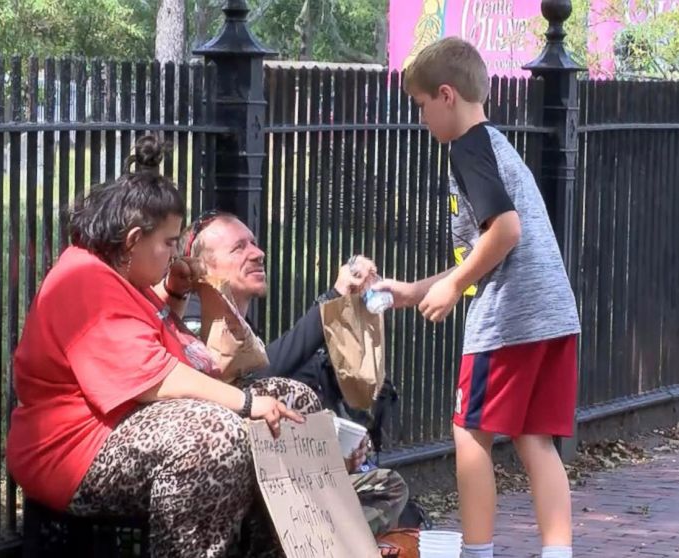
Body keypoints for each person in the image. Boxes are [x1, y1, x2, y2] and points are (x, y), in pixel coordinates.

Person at [6, 135, 317, 558]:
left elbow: (163, 347)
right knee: (213, 435)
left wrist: (173, 296)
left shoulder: (124, 278)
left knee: (294, 400)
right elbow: (155, 377)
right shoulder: (83, 279)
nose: (175, 255)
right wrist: (245, 403)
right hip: (75, 453)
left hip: (129, 429)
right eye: (170, 243)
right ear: (134, 239)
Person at [374, 37, 581, 558]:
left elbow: (504, 232)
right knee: (536, 440)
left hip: (510, 319)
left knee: (470, 434)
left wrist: (452, 284)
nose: (421, 119)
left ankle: (477, 552)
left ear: (446, 95)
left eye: (421, 106)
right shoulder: (495, 145)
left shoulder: (467, 149)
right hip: (553, 317)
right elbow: (486, 250)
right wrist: (413, 292)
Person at [181, 211, 411, 536]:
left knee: (386, 486)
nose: (257, 253)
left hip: (277, 473)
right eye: (239, 248)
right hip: (224, 478)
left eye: (255, 244)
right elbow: (262, 378)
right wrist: (333, 298)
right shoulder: (193, 321)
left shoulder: (243, 329)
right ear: (200, 267)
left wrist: (335, 449)